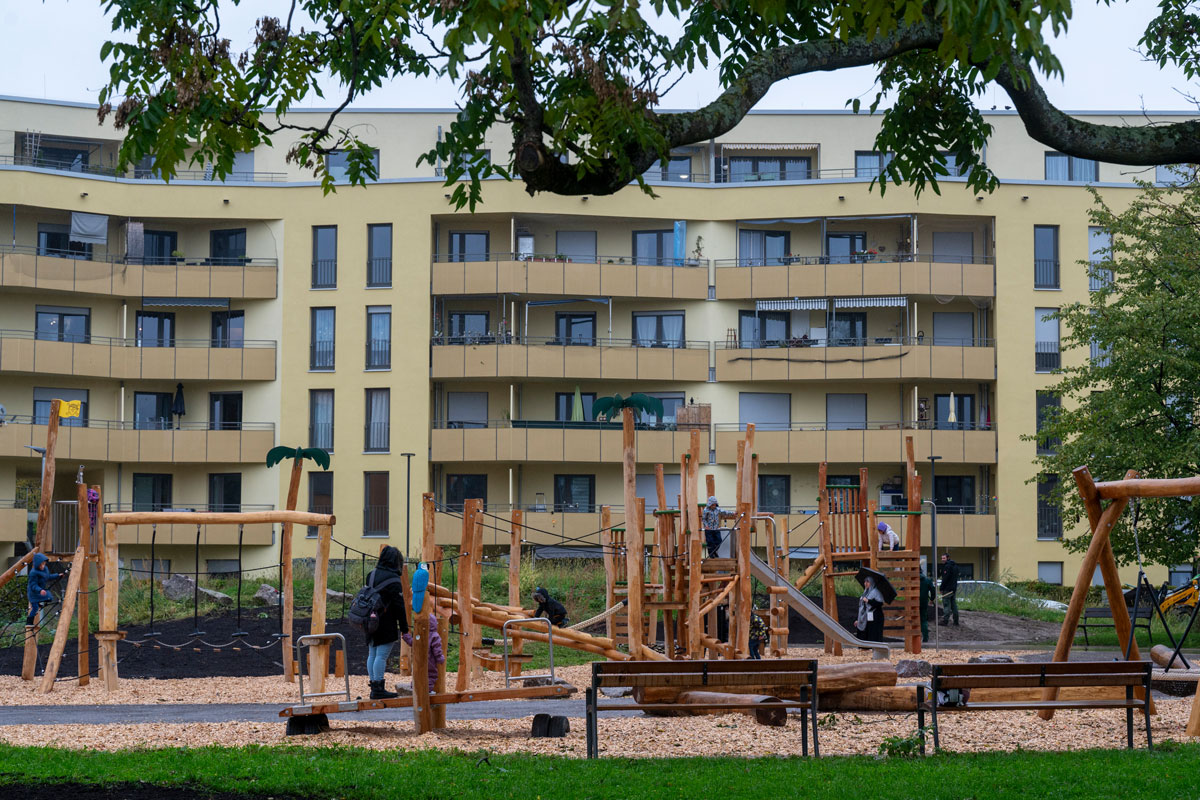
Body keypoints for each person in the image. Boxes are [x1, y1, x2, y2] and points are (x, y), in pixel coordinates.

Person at [364, 546, 409, 699]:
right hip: (386, 622)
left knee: (372, 653)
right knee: (381, 656)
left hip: (369, 620)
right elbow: (399, 606)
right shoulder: (394, 580)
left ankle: (373, 685)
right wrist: (404, 628)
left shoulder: (371, 574)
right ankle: (378, 688)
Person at [401, 610, 445, 694]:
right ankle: (427, 690)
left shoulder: (419, 634)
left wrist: (406, 636)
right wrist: (440, 658)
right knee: (431, 674)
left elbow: (413, 643)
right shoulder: (434, 636)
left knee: (418, 672)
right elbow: (437, 649)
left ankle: (415, 685)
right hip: (430, 659)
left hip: (418, 658)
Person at [25, 552, 64, 627]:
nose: (43, 566)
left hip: (41, 590)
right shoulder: (33, 573)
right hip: (33, 592)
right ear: (37, 564)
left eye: (44, 564)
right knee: (35, 608)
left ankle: (39, 603)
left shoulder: (45, 569)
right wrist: (40, 590)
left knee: (49, 597)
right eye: (41, 565)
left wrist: (57, 575)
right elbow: (33, 585)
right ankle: (29, 622)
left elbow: (48, 577)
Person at [854, 575, 886, 642]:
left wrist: (869, 601)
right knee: (867, 631)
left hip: (876, 616)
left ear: (871, 582)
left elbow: (879, 603)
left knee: (874, 632)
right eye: (865, 581)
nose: (865, 583)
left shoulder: (876, 592)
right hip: (867, 615)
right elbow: (862, 606)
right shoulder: (866, 592)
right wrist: (859, 619)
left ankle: (875, 647)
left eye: (868, 582)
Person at [939, 553, 960, 627]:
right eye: (942, 558)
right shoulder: (955, 566)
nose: (942, 560)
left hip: (947, 589)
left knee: (946, 605)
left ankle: (945, 621)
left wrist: (941, 588)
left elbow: (945, 579)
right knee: (954, 605)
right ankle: (956, 621)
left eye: (944, 558)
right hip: (953, 589)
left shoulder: (947, 567)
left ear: (948, 558)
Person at [919, 566, 936, 642]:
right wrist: (931, 599)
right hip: (923, 603)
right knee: (924, 620)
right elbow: (933, 590)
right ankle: (925, 638)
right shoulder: (927, 580)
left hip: (912, 603)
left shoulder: (911, 580)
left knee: (913, 620)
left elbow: (902, 589)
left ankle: (914, 637)